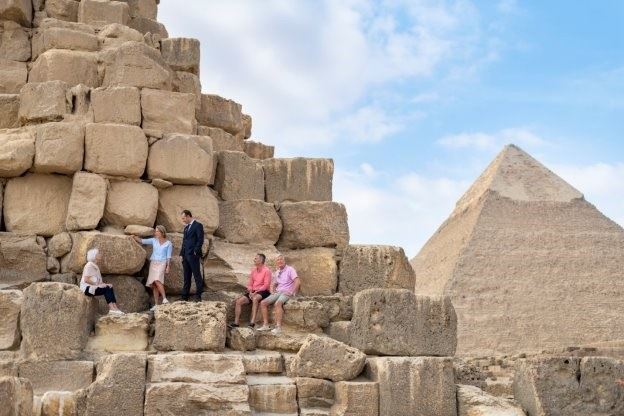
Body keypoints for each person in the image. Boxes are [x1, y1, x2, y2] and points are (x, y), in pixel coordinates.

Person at [257, 254, 300, 335]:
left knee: (278, 303)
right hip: (278, 291)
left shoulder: (290, 269)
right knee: (263, 303)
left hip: (287, 292)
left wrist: (293, 292)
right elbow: (274, 283)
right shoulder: (277, 272)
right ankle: (266, 325)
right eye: (278, 260)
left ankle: (278, 327)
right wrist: (272, 290)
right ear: (276, 262)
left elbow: (297, 281)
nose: (280, 261)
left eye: (281, 259)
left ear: (284, 261)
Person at [133, 225, 172, 311]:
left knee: (158, 280)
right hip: (153, 263)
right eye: (155, 231)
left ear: (162, 232)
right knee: (154, 284)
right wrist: (133, 236)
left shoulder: (168, 243)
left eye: (157, 231)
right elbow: (142, 241)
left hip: (162, 263)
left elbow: (168, 256)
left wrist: (168, 266)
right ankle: (156, 304)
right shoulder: (153, 240)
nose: (156, 233)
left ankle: (165, 299)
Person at [229, 253, 272, 329]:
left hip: (264, 291)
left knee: (255, 299)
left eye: (256, 258)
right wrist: (250, 291)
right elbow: (250, 284)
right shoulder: (253, 270)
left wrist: (255, 292)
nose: (254, 260)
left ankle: (252, 323)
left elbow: (266, 285)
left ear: (261, 260)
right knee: (239, 301)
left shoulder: (267, 271)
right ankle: (236, 322)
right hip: (253, 291)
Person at [80, 248, 124, 315]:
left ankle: (115, 307)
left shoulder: (95, 266)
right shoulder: (89, 265)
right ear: (94, 256)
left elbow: (98, 281)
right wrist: (97, 285)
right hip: (87, 288)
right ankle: (111, 308)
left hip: (93, 286)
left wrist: (105, 284)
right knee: (106, 289)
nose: (100, 255)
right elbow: (86, 280)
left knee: (109, 287)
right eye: (98, 254)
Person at [179, 209, 204, 301]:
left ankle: (198, 296)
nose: (183, 220)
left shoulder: (198, 225)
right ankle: (184, 297)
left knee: (197, 275)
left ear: (189, 216)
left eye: (184, 218)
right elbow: (184, 242)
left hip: (193, 255)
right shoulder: (186, 228)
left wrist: (195, 251)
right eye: (182, 218)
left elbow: (200, 239)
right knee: (186, 276)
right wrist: (182, 254)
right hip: (185, 256)